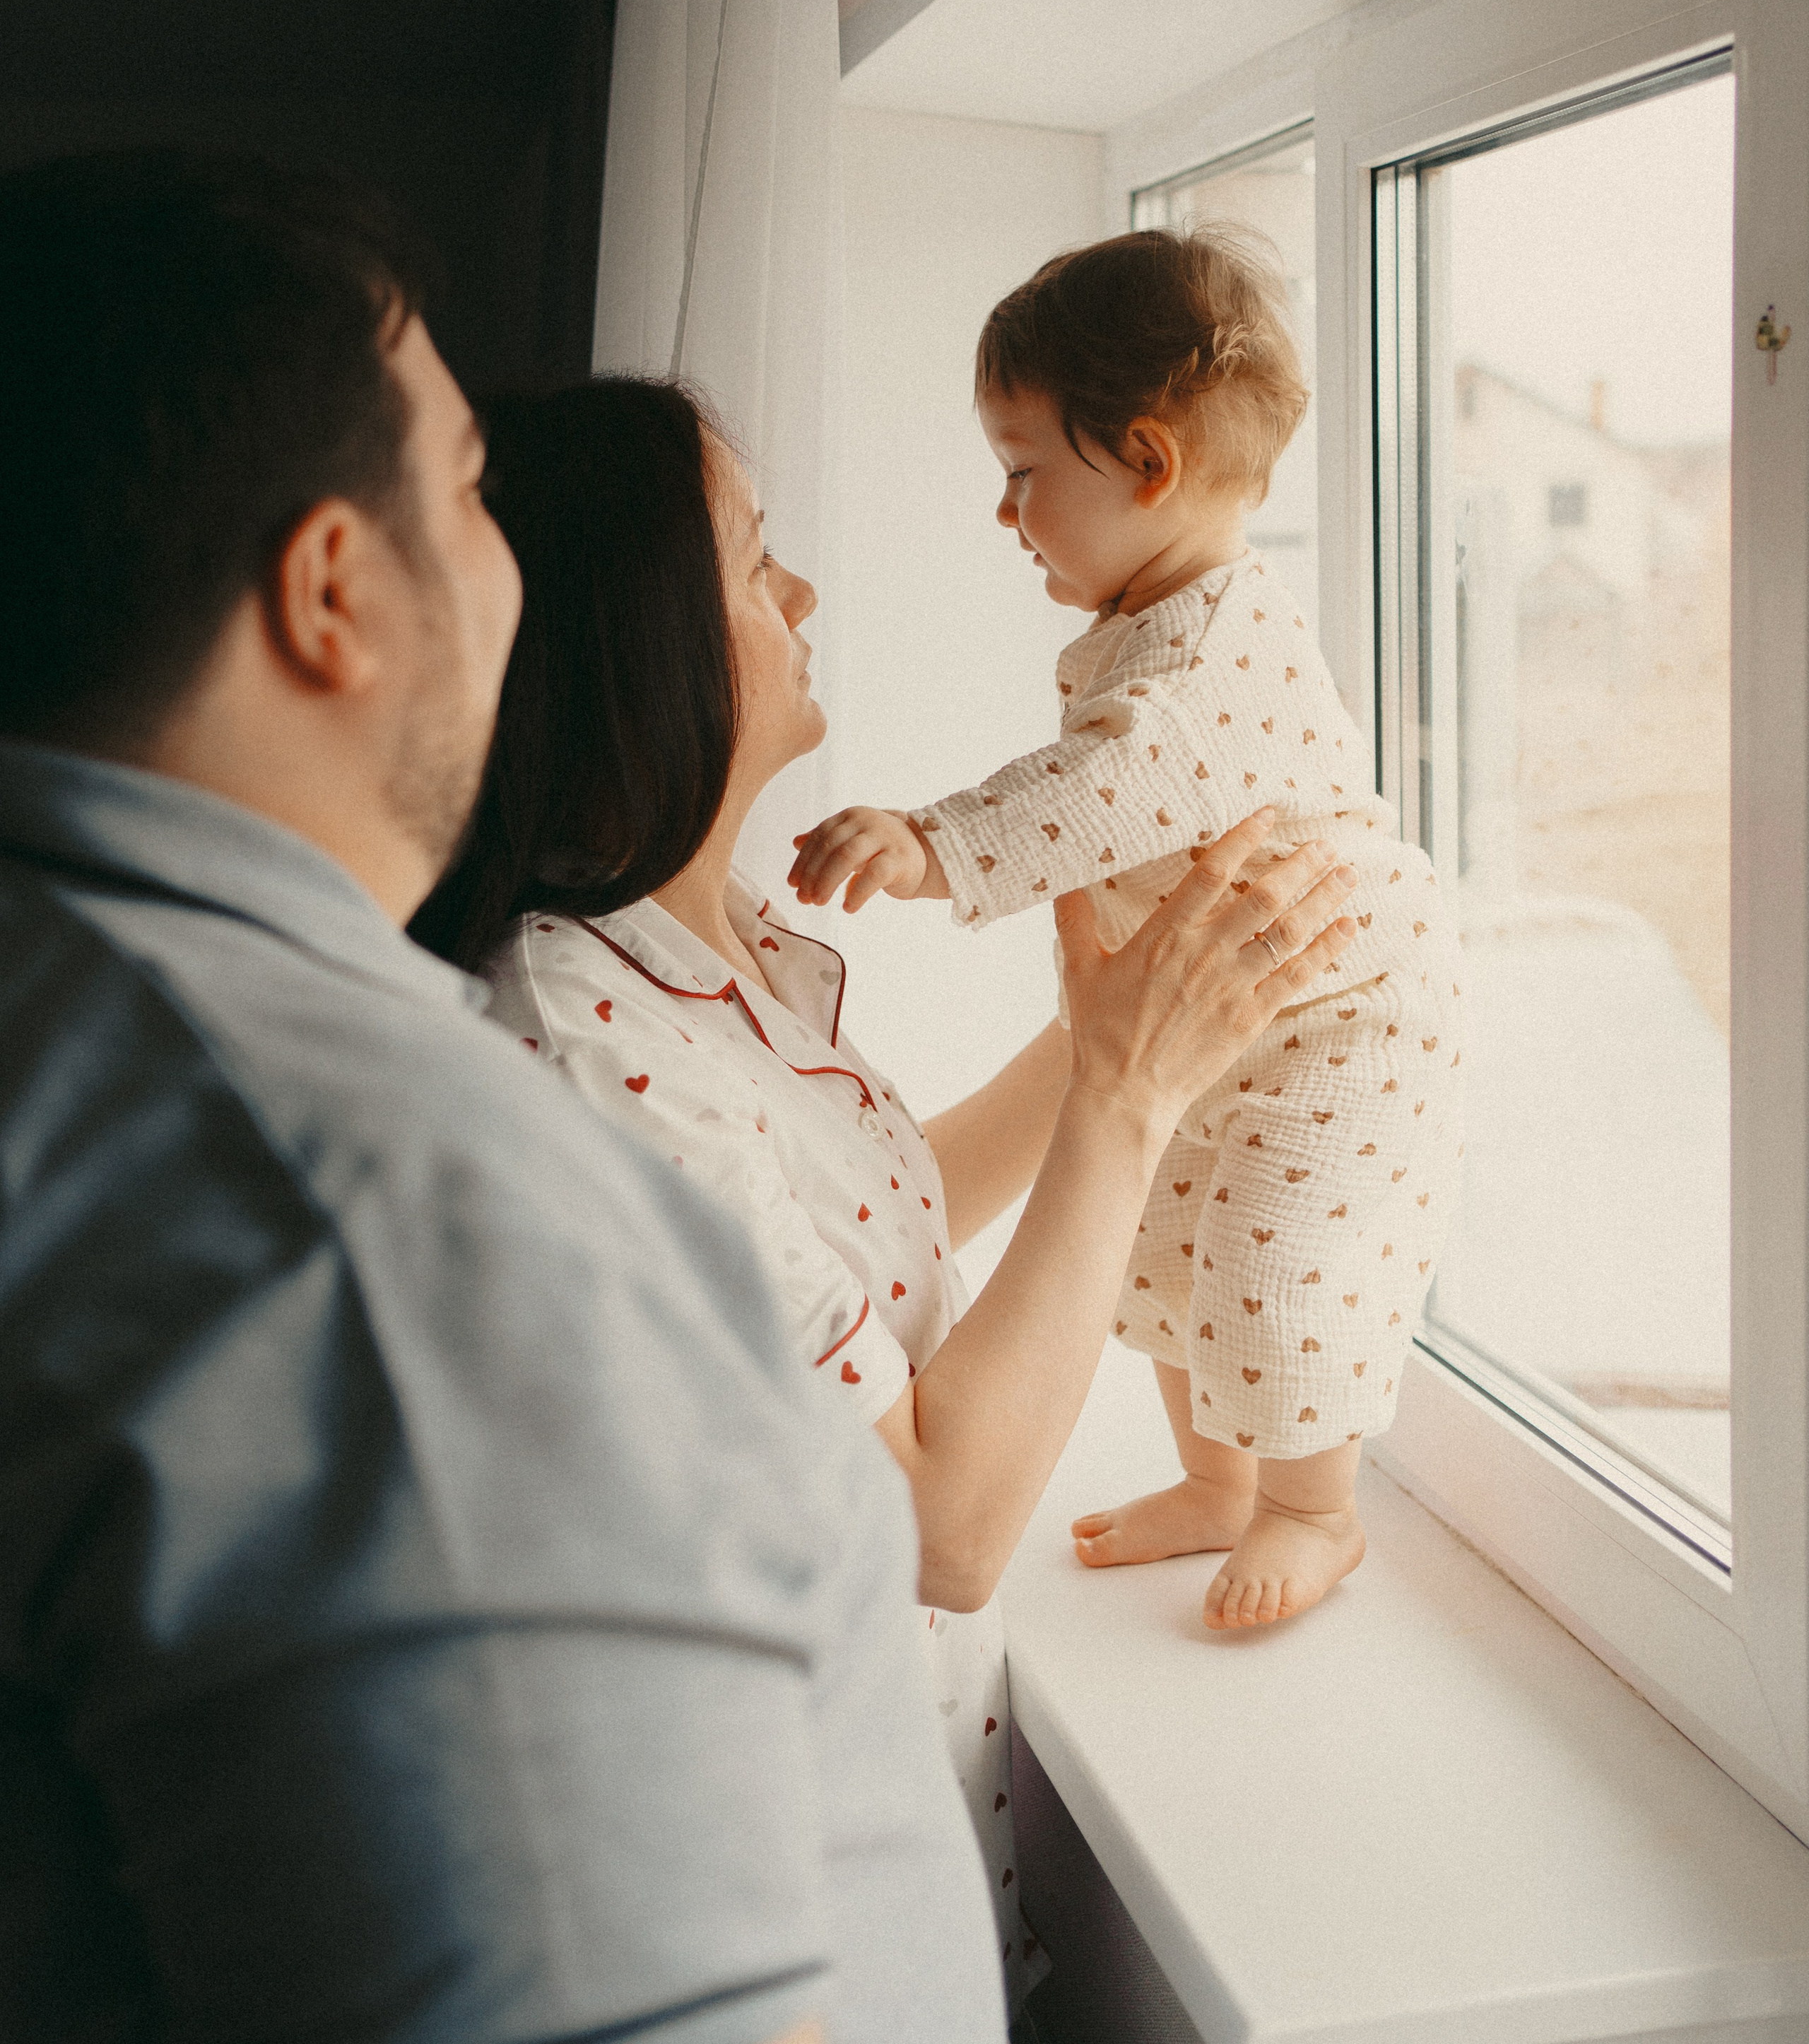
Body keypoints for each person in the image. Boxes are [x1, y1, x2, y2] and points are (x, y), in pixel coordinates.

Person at [0, 149, 1006, 2044]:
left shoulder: (70, 1015)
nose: (516, 563)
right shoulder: (392, 1244)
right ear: (331, 593)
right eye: (468, 489)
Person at [409, 375, 1359, 2015]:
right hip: (781, 1944)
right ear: (641, 638)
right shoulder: (581, 1052)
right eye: (751, 559)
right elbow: (943, 1522)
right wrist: (1125, 1097)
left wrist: (1111, 1035)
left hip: (887, 1851)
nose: (800, 594)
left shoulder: (710, 969)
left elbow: (876, 1218)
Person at [791, 225, 1466, 1631]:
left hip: (1340, 1006)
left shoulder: (1217, 642)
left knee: (1275, 1250)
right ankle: (1217, 1481)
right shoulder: (1154, 618)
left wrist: (935, 844)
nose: (1005, 513)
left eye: (1023, 473)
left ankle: (1307, 1503)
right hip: (1228, 999)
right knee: (1154, 1231)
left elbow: (1112, 784)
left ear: (1146, 464)